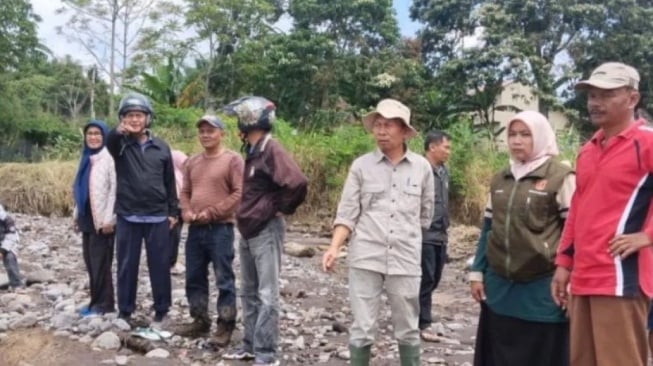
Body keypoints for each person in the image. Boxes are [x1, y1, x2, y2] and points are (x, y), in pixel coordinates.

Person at [551, 62, 653, 366]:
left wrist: (646, 236)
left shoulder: (646, 141)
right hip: (584, 276)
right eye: (592, 95)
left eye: (607, 95)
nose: (596, 102)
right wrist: (563, 263)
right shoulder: (589, 149)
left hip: (622, 278)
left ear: (632, 98)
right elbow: (578, 211)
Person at [322, 98, 435, 366]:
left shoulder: (422, 168)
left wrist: (404, 236)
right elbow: (347, 212)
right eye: (377, 125)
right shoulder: (361, 166)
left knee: (408, 327)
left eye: (388, 125)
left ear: (405, 131)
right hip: (366, 255)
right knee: (362, 328)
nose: (381, 131)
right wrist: (334, 247)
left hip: (405, 257)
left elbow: (425, 215)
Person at [469, 111, 574, 366]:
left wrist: (572, 278)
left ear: (540, 137)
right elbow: (488, 228)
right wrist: (477, 272)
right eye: (512, 134)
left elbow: (574, 233)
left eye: (525, 134)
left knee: (542, 352)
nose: (517, 141)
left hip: (542, 288)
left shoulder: (561, 178)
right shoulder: (501, 178)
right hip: (501, 288)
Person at [221, 96, 307, 366]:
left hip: (265, 230)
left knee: (267, 294)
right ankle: (250, 344)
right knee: (248, 291)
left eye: (241, 119)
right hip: (248, 230)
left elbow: (297, 183)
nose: (238, 124)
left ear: (250, 119)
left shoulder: (271, 149)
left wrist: (279, 208)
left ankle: (266, 353)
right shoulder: (254, 149)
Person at [106, 92, 179, 326]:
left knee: (159, 265)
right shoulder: (119, 146)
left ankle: (161, 310)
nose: (134, 120)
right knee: (127, 265)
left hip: (157, 215)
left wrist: (173, 211)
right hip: (128, 214)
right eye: (129, 116)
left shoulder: (161, 147)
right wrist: (119, 131)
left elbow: (169, 182)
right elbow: (110, 140)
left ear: (148, 119)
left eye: (139, 115)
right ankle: (125, 310)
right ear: (122, 119)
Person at [175, 115, 243, 347]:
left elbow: (239, 193)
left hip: (220, 228)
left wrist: (213, 212)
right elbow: (185, 191)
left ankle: (225, 325)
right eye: (202, 131)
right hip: (195, 228)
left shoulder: (232, 160)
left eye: (210, 131)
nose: (205, 135)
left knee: (224, 278)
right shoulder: (193, 161)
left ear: (222, 134)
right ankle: (200, 319)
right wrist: (185, 211)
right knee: (194, 276)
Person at [72, 120, 116, 316]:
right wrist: (76, 213)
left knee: (101, 263)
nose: (93, 137)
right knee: (90, 261)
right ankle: (94, 302)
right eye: (89, 133)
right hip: (87, 217)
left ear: (104, 136)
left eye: (97, 133)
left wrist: (109, 219)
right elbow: (82, 189)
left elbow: (115, 190)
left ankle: (104, 305)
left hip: (102, 220)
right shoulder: (87, 158)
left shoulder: (109, 158)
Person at [419, 130, 451, 342]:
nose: (448, 151)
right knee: (426, 277)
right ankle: (422, 321)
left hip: (441, 233)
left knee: (436, 277)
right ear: (432, 147)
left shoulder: (443, 171)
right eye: (446, 147)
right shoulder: (419, 169)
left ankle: (419, 316)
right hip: (425, 233)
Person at [170, 149, 188, 274]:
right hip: (176, 201)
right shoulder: (175, 156)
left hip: (176, 201)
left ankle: (170, 261)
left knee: (174, 233)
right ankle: (171, 263)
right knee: (174, 234)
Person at [0, 204, 24, 291]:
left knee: (10, 258)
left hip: (8, 243)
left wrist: (2, 251)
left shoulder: (7, 220)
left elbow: (11, 238)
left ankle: (16, 284)